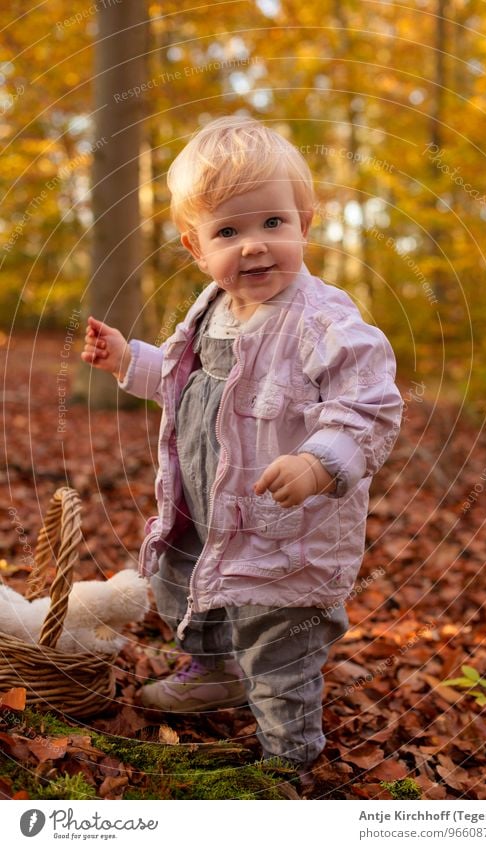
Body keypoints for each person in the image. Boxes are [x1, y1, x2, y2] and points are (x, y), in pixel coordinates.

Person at [81, 116, 403, 773]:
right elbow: (182, 379)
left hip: (283, 524)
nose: (253, 247)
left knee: (277, 635)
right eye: (228, 231)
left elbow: (370, 405)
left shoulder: (323, 321)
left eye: (271, 224)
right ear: (195, 247)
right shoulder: (211, 306)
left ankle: (288, 755)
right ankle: (214, 672)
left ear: (304, 223)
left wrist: (320, 462)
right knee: (194, 594)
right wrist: (125, 359)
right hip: (204, 508)